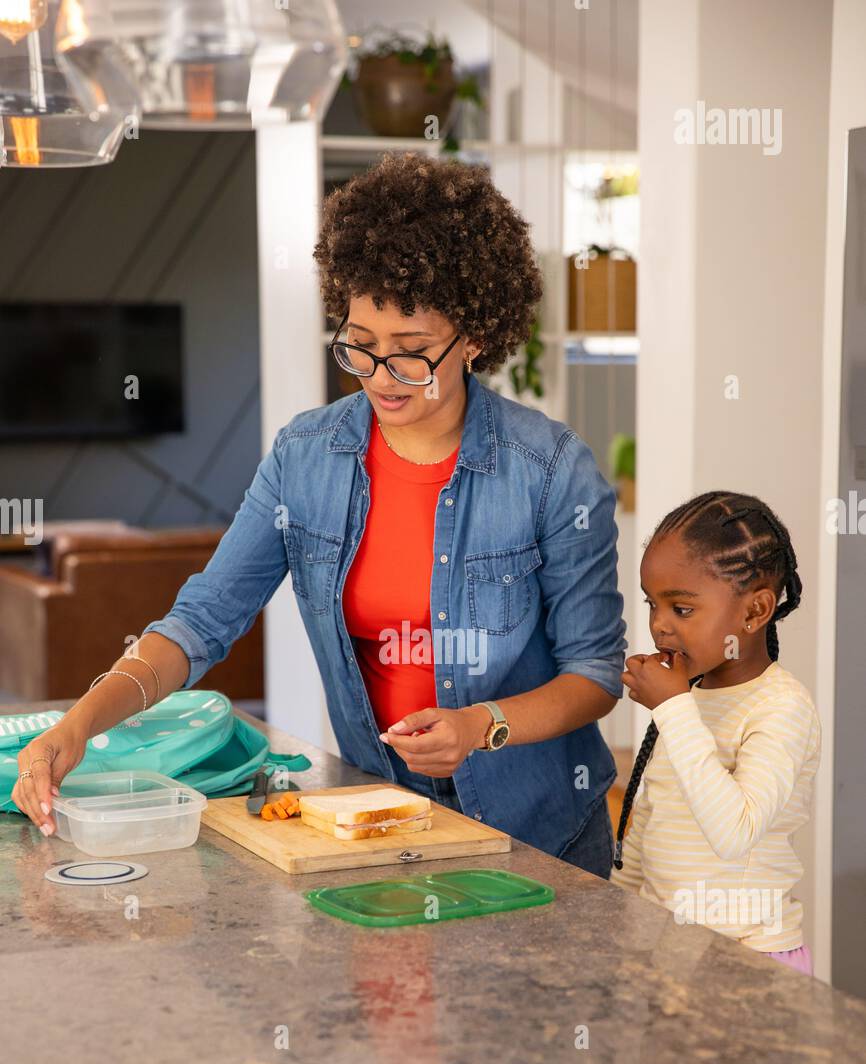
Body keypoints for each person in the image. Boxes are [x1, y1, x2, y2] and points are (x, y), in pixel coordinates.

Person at [14, 153, 626, 876]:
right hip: (381, 814)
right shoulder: (306, 457)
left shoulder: (550, 470)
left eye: (412, 355)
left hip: (540, 831)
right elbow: (203, 619)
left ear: (477, 338)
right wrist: (78, 724)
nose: (380, 378)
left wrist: (481, 725)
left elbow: (595, 673)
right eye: (360, 347)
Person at [615, 491, 820, 973]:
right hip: (671, 955)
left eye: (681, 610)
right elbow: (652, 817)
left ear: (754, 612)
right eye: (652, 605)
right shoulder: (686, 700)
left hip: (749, 959)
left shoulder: (782, 707)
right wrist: (622, 922)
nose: (659, 627)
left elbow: (736, 832)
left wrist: (671, 708)